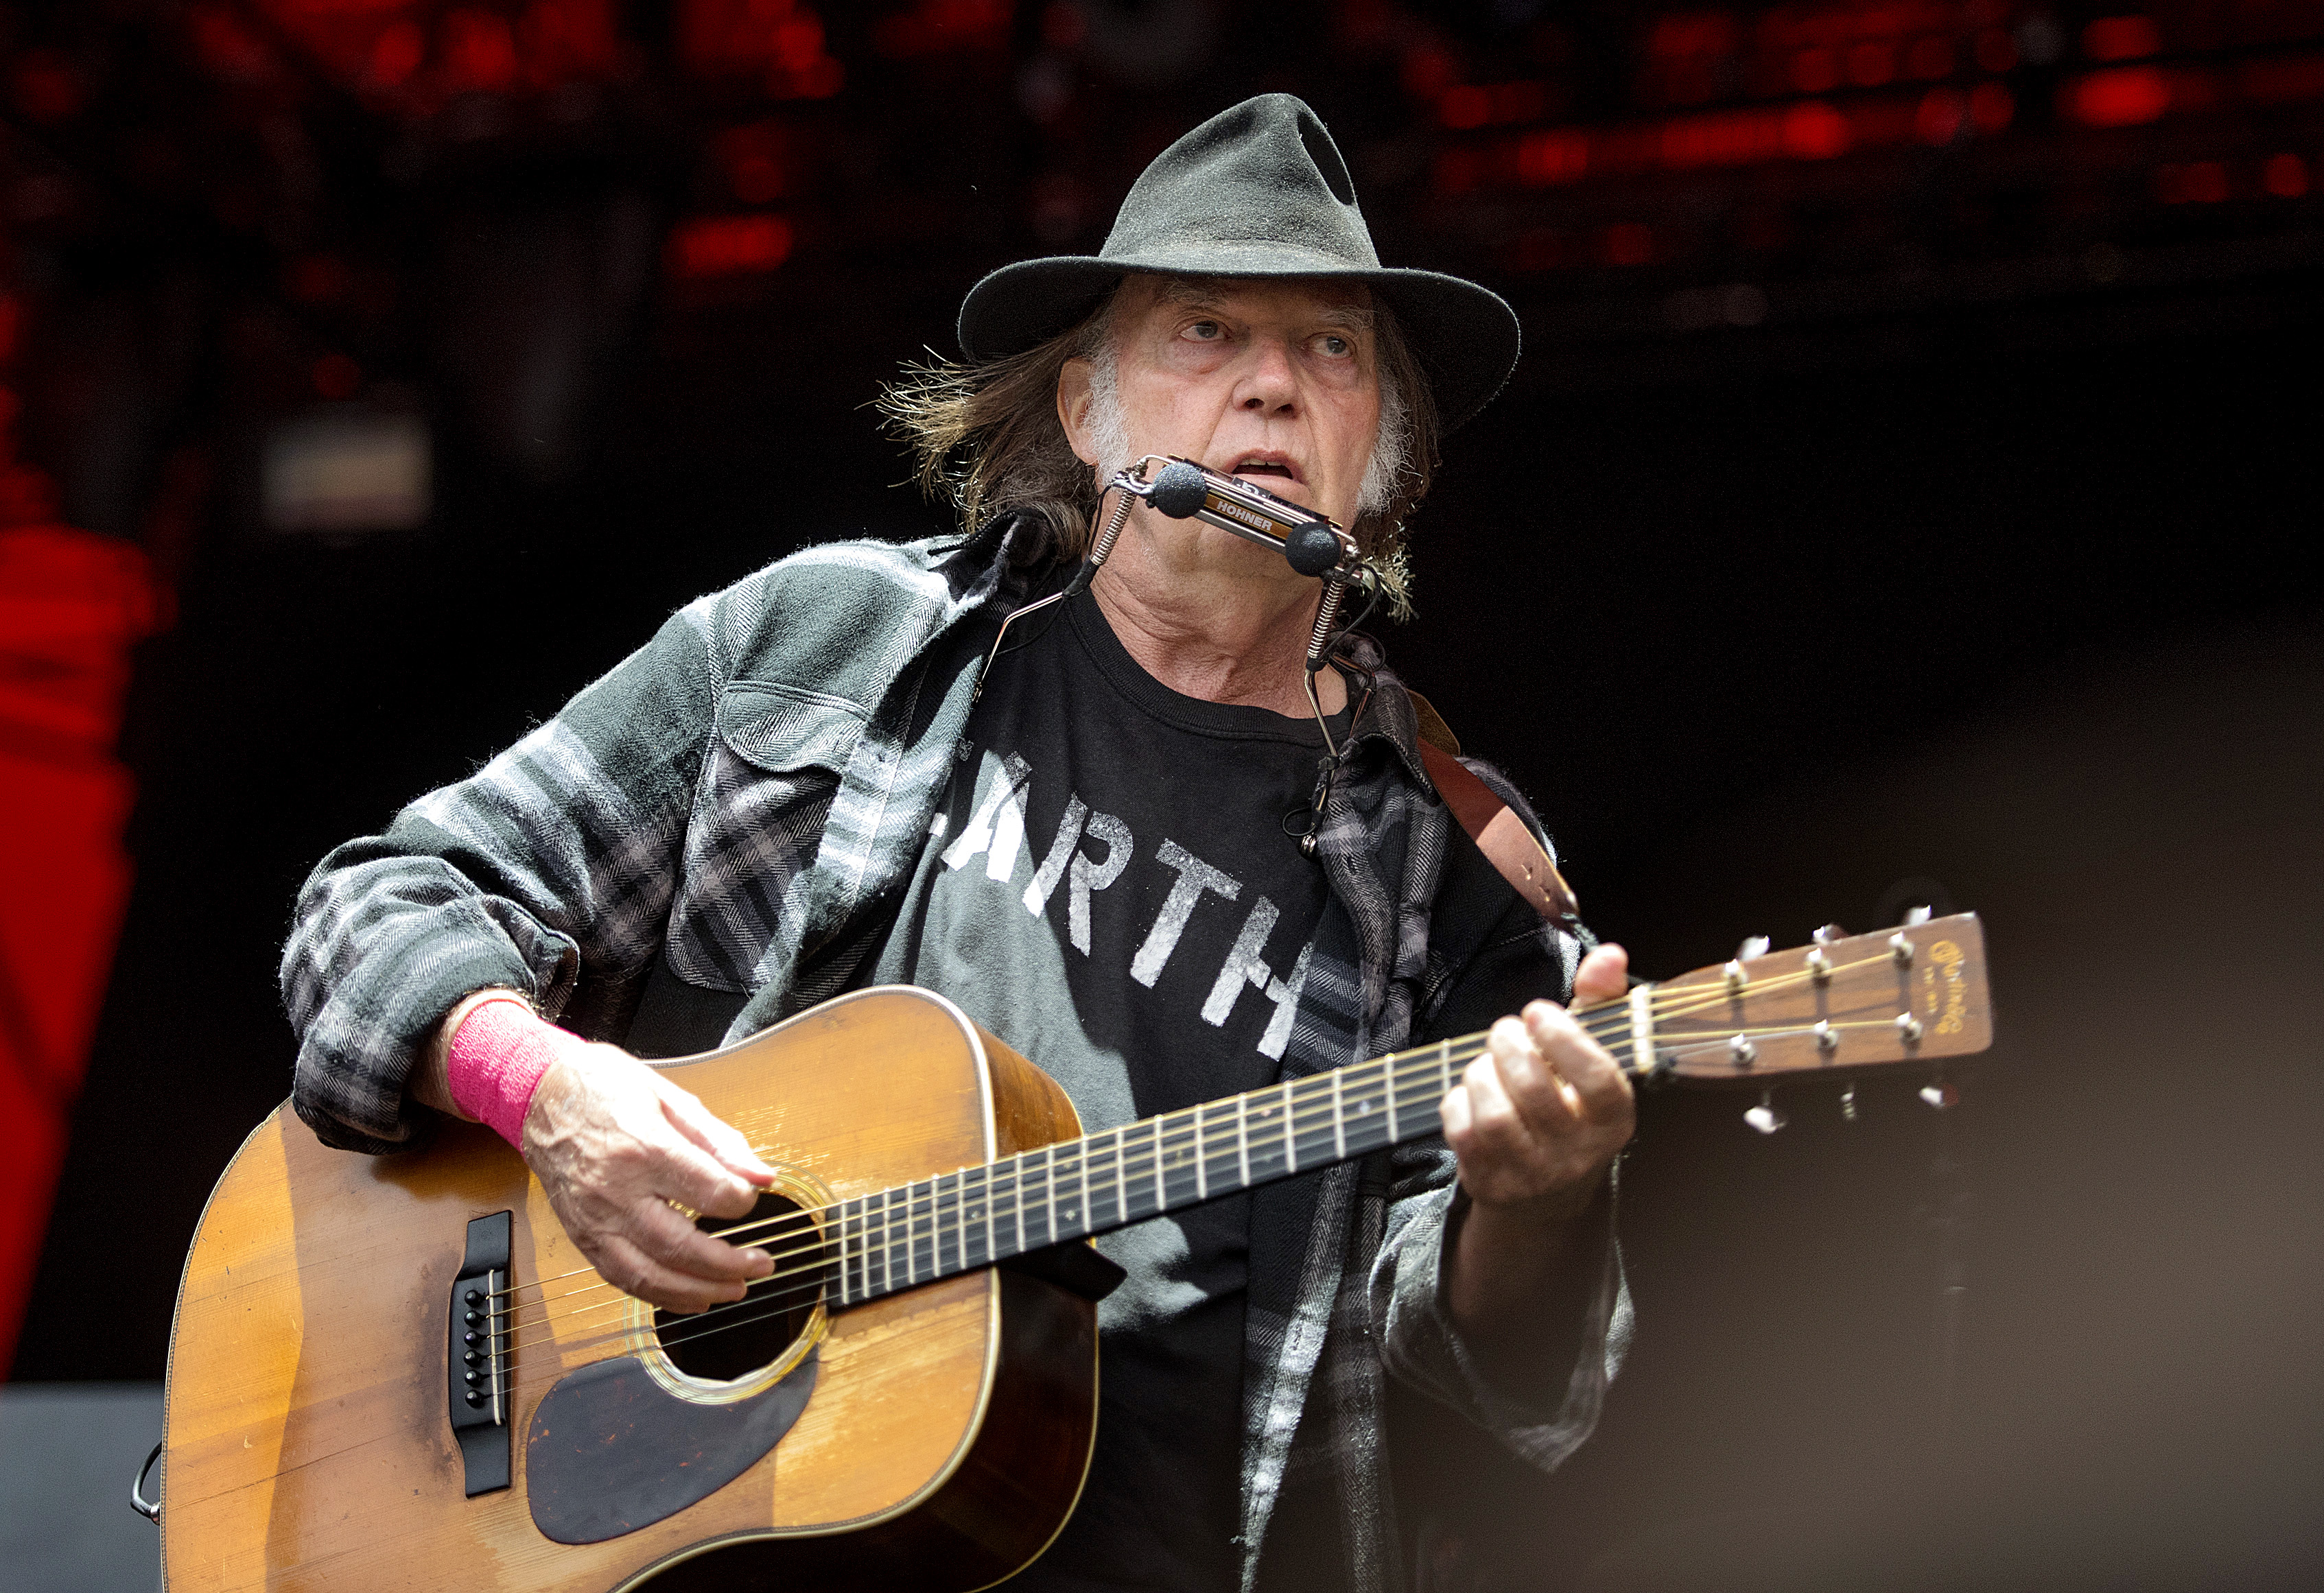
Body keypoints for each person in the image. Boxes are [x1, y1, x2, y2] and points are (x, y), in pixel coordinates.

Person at [282, 95, 1635, 1593]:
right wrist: (545, 1095)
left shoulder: (1450, 872)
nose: (1271, 387)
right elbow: (382, 908)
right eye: (1203, 333)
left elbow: (1496, 1384)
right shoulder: (830, 644)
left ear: (1383, 454)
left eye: (1332, 350)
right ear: (1081, 413)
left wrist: (1543, 1200)